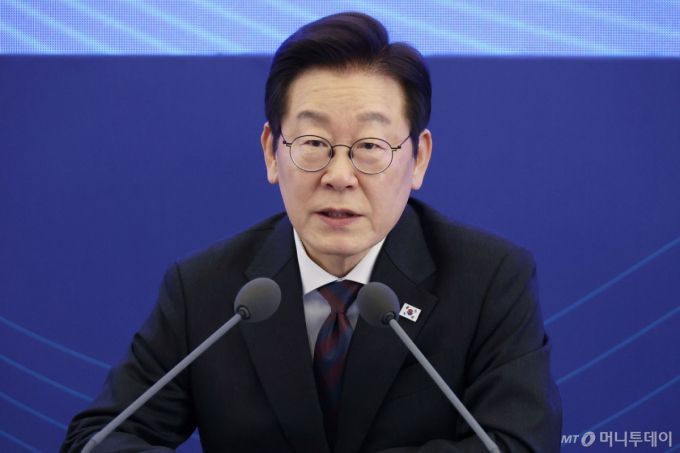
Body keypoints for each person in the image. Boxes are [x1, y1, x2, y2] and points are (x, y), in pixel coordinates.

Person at [61, 12, 562, 453]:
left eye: (370, 146)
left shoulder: (488, 280)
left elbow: (518, 443)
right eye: (314, 142)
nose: (339, 176)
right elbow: (98, 438)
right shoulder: (205, 291)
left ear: (418, 159)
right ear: (270, 152)